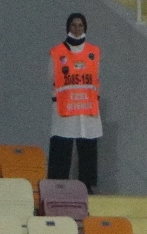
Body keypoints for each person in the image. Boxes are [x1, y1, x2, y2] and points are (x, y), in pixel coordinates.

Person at [48, 13, 101, 193]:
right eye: (73, 25)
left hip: (87, 107)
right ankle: (57, 185)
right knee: (61, 148)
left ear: (85, 27)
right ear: (68, 27)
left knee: (88, 148)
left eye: (80, 25)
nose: (77, 29)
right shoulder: (57, 52)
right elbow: (50, 78)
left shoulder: (94, 52)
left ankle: (87, 185)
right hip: (65, 108)